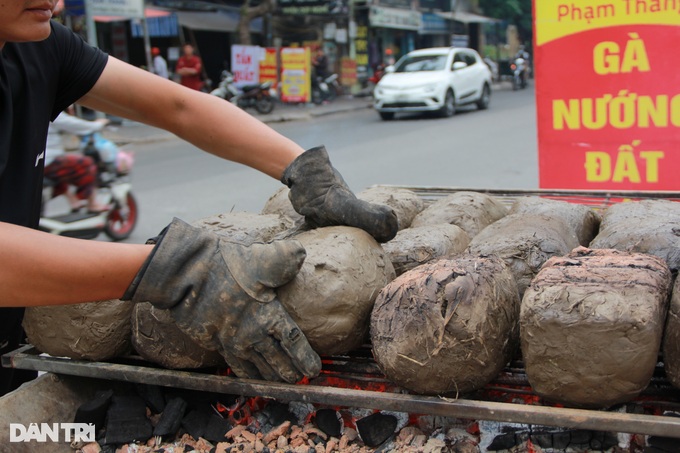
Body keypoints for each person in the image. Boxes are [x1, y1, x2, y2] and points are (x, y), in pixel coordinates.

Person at [0, 3, 397, 394]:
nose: (57, 1)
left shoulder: (38, 43)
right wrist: (181, 269)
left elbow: (179, 106)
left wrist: (304, 171)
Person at [44, 111, 110, 212]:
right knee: (87, 163)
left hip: (38, 161)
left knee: (62, 168)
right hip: (47, 160)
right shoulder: (48, 110)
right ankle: (92, 204)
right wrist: (98, 124)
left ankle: (74, 201)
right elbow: (74, 125)